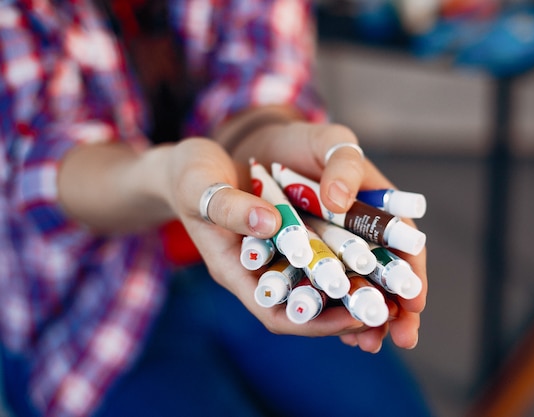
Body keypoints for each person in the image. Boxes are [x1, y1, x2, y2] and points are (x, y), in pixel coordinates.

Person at [0, 1, 430, 416]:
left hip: (262, 256)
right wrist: (165, 176)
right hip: (84, 308)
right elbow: (38, 169)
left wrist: (263, 137)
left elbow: (260, 74)